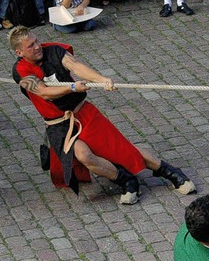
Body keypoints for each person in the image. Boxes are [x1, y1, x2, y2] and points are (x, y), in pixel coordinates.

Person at [9, 26, 196, 204]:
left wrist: (102, 79)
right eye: (30, 46)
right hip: (58, 125)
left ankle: (171, 172)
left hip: (84, 113)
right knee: (84, 155)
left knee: (121, 149)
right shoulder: (20, 71)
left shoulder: (54, 51)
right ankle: (126, 181)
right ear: (19, 53)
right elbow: (43, 92)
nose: (37, 46)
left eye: (36, 41)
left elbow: (77, 67)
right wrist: (72, 87)